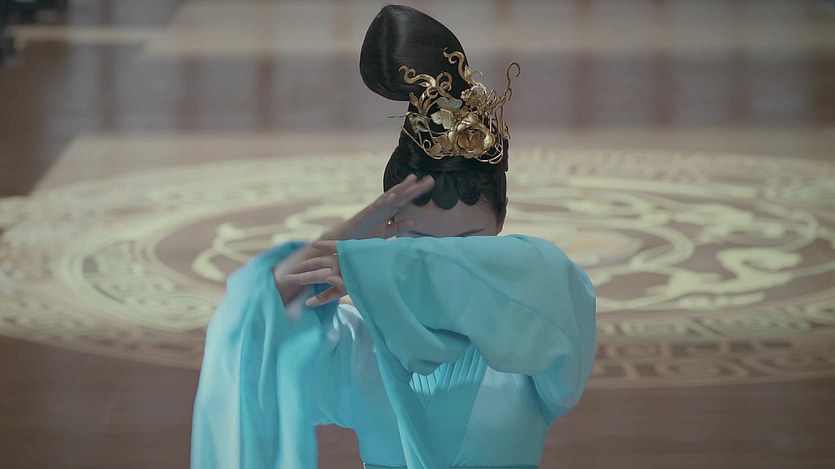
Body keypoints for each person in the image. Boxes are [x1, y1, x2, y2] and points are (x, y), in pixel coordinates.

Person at [191, 5, 596, 469]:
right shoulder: (364, 346)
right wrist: (334, 245)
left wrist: (390, 272)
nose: (439, 259)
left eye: (469, 244)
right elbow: (250, 329)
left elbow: (550, 280)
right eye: (419, 244)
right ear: (390, 238)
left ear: (501, 225)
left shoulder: (529, 342)